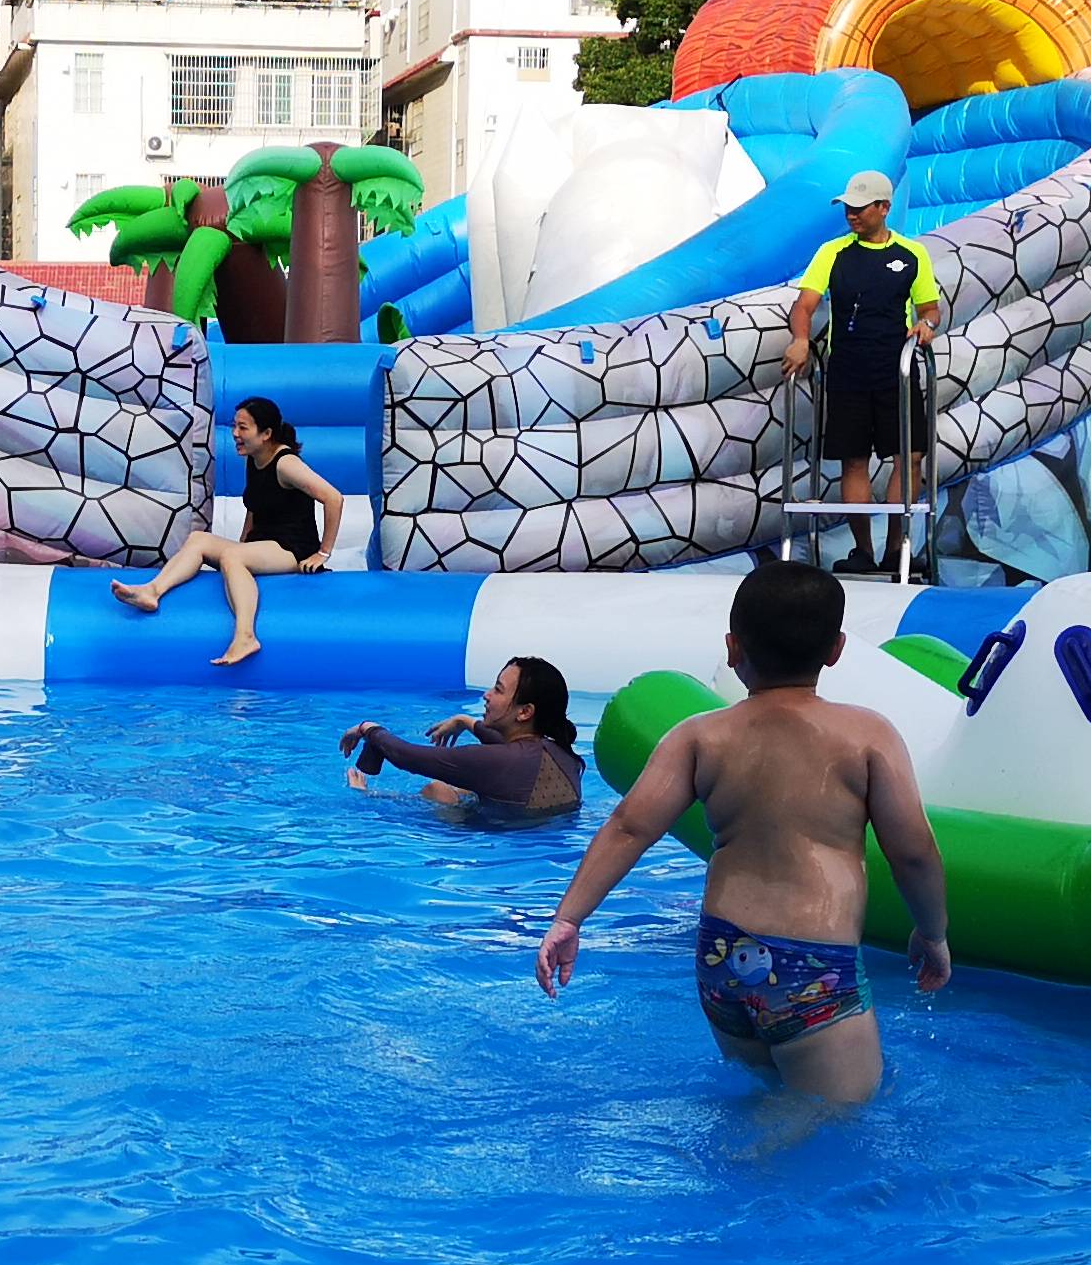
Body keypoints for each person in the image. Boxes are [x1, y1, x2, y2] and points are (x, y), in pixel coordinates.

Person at [535, 561, 951, 1110]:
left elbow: (628, 827)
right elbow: (913, 853)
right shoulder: (867, 735)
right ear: (837, 649)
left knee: (757, 1102)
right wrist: (933, 932)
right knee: (831, 1120)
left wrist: (568, 919)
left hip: (722, 961)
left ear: (733, 649)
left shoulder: (699, 736)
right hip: (813, 964)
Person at [781, 173, 942, 573]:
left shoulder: (912, 254)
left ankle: (896, 548)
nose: (852, 214)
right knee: (855, 460)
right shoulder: (833, 253)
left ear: (884, 208)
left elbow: (930, 308)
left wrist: (928, 326)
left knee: (910, 456)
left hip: (895, 368)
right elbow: (804, 306)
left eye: (860, 207)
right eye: (848, 207)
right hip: (849, 367)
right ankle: (864, 552)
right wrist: (801, 340)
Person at [111, 397, 341, 666]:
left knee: (233, 557)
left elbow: (333, 498)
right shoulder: (254, 458)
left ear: (266, 434)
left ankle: (246, 636)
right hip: (264, 544)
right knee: (198, 540)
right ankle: (152, 591)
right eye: (234, 426)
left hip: (291, 548)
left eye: (243, 428)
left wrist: (322, 553)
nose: (234, 434)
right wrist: (243, 542)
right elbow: (255, 506)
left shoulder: (285, 463)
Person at [340, 656, 585, 815]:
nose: (486, 695)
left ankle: (367, 797)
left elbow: (407, 756)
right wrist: (466, 722)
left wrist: (368, 728)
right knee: (460, 792)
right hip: (541, 840)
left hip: (499, 847)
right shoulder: (558, 750)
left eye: (498, 690)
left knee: (437, 791)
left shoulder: (497, 762)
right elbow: (510, 751)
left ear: (524, 712)